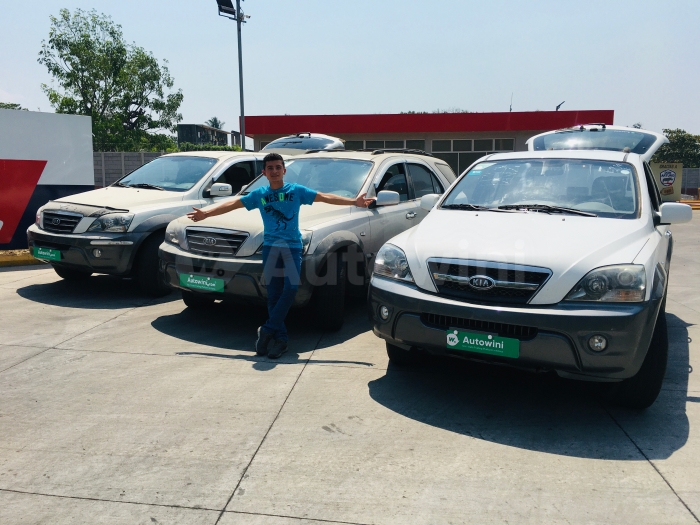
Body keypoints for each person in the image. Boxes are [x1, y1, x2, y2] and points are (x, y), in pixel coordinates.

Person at [187, 152, 374, 359]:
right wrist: (206, 213)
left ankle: (267, 329)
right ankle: (281, 339)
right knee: (274, 294)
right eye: (270, 168)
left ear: (284, 170)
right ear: (264, 172)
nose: (274, 171)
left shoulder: (296, 191)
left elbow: (324, 197)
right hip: (270, 248)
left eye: (278, 167)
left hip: (292, 247)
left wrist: (354, 202)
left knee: (291, 288)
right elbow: (233, 204)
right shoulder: (259, 194)